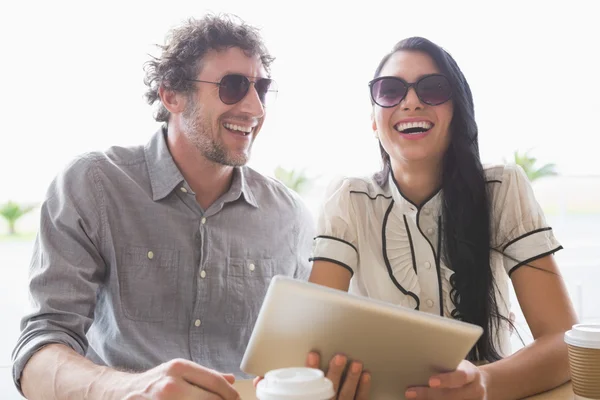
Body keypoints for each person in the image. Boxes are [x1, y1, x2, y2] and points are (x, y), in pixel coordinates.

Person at [11, 14, 317, 400]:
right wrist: (128, 389)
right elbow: (39, 350)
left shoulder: (290, 216)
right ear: (172, 95)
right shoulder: (93, 185)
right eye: (234, 86)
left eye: (262, 88)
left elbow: (301, 358)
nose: (255, 108)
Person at [308, 37, 578, 399]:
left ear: (457, 112)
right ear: (373, 121)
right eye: (390, 91)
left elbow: (565, 342)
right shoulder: (348, 199)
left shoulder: (502, 188)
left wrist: (485, 383)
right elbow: (311, 343)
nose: (411, 101)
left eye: (433, 89)